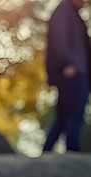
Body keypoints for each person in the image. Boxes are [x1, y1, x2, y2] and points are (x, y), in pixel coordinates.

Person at [43, 0, 91, 152]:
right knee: (74, 119)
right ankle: (72, 157)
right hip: (73, 73)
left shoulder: (74, 13)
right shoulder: (64, 10)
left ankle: (45, 154)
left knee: (63, 120)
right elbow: (58, 39)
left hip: (78, 73)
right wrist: (67, 64)